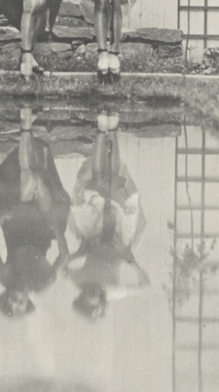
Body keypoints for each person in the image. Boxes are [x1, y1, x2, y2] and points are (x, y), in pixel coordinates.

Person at [0, 107, 71, 318]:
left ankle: (26, 125)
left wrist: (0, 218)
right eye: (18, 305)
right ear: (27, 302)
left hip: (17, 225)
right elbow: (64, 256)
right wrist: (58, 232)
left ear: (5, 296)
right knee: (38, 179)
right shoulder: (42, 283)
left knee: (28, 175)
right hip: (43, 227)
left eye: (9, 302)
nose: (14, 301)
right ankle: (30, 131)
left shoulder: (5, 278)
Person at [66, 112, 149, 320]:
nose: (93, 291)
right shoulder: (113, 292)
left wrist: (78, 254)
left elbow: (63, 271)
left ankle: (102, 131)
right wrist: (132, 262)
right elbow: (145, 285)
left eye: (88, 294)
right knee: (115, 184)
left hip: (94, 233)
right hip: (119, 239)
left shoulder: (79, 282)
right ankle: (113, 130)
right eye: (96, 295)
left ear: (82, 295)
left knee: (96, 182)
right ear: (102, 300)